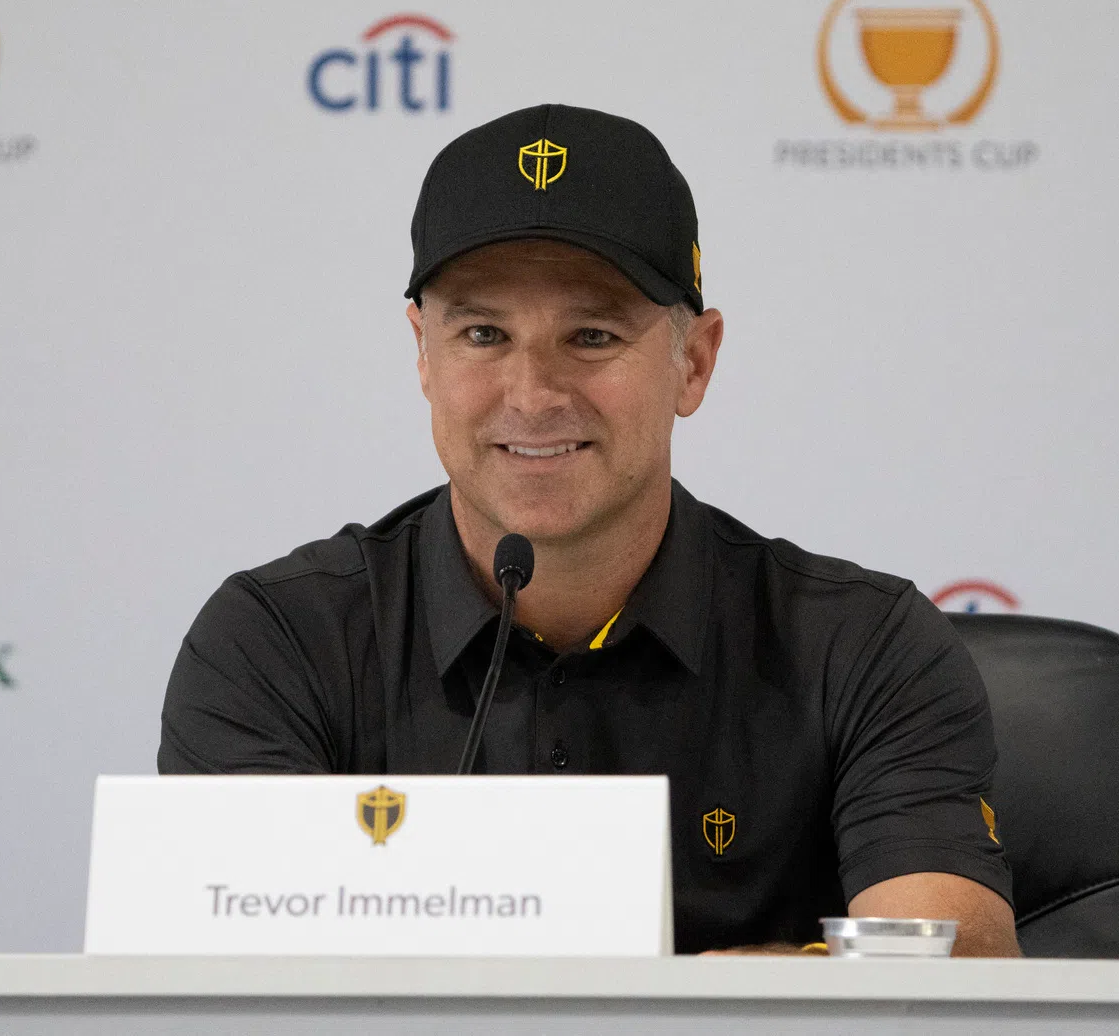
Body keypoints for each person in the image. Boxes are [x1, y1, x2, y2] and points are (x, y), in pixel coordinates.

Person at [158, 103, 1020, 956]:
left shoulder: (862, 644)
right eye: (484, 333)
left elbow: (953, 962)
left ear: (695, 361)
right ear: (423, 353)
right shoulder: (275, 642)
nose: (533, 394)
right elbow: (232, 994)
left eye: (593, 334)